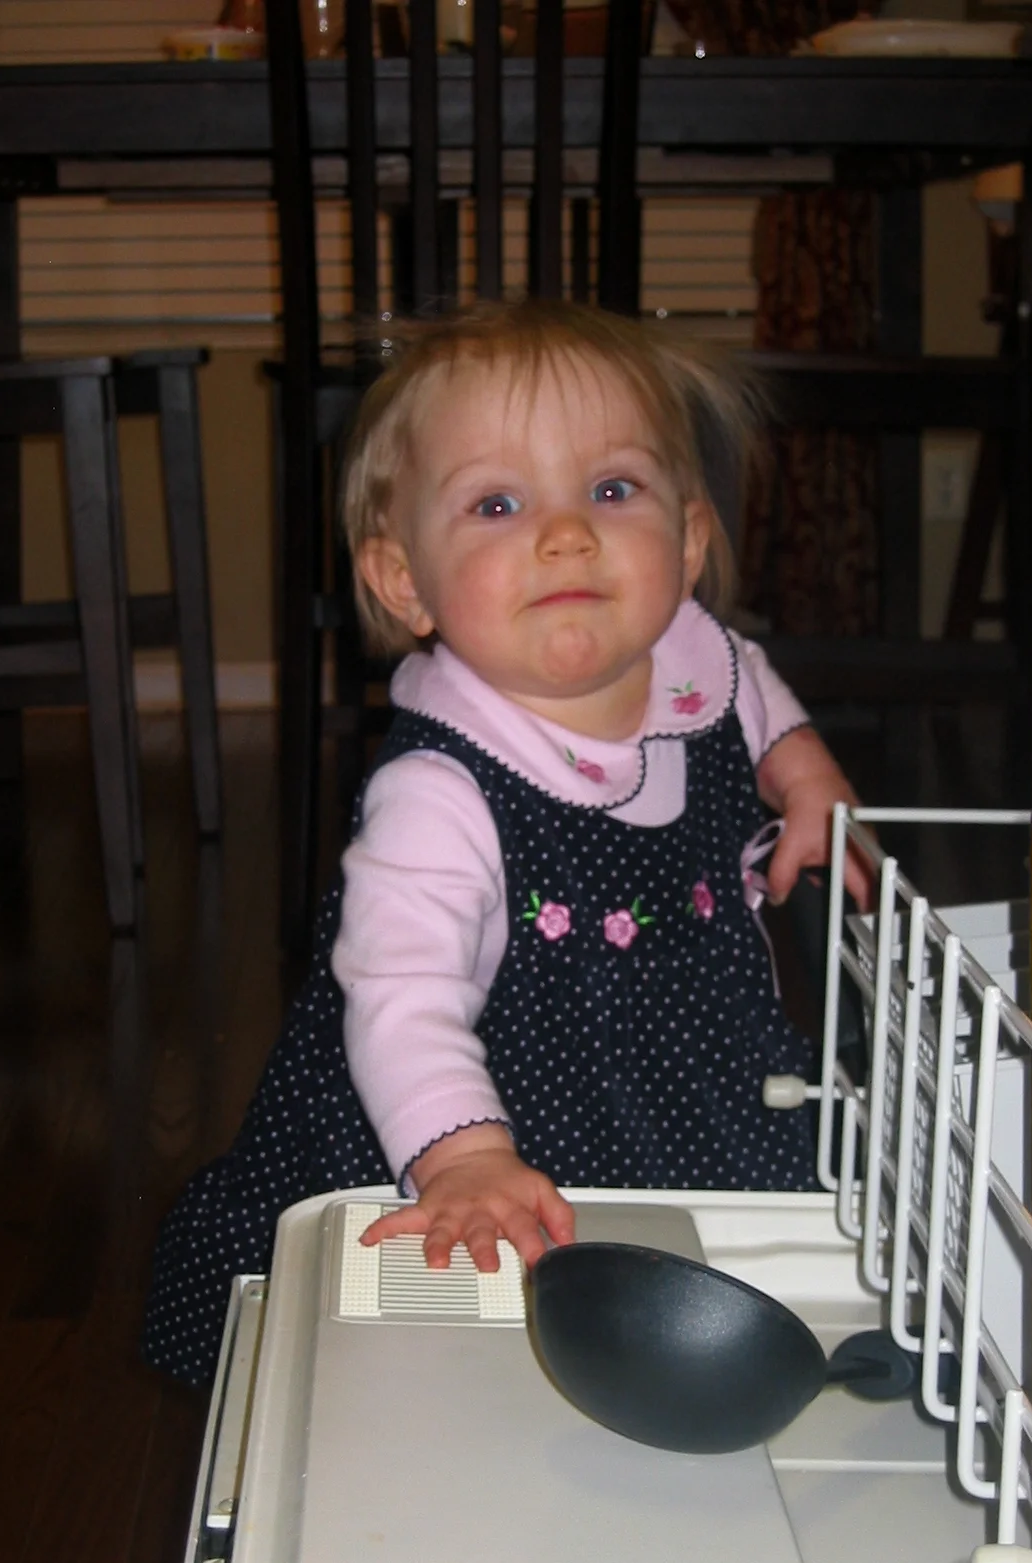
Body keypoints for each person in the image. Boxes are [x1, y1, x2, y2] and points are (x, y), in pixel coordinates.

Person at [143, 301, 864, 1388]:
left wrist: (802, 773)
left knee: (696, 1282)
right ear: (405, 583)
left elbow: (752, 692)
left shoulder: (696, 659)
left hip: (688, 1080)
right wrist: (466, 1154)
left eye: (612, 490)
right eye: (496, 504)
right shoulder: (438, 794)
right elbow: (402, 995)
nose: (566, 533)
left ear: (689, 541)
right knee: (480, 1353)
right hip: (477, 1109)